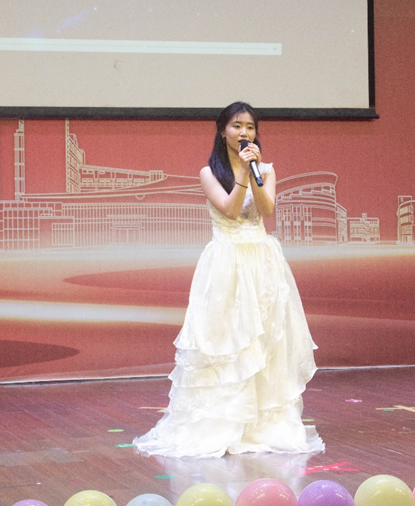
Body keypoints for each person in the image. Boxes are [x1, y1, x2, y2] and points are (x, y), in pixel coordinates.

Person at [133, 101, 324, 458]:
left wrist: (255, 171)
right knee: (228, 340)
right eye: (237, 126)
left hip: (263, 262)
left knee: (265, 341)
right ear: (223, 131)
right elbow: (231, 211)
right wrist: (243, 176)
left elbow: (267, 209)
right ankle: (222, 421)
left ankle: (262, 424)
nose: (244, 133)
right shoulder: (209, 173)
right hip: (226, 263)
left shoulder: (266, 170)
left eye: (250, 127)